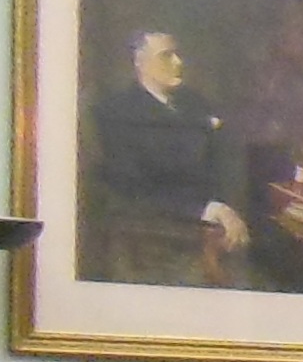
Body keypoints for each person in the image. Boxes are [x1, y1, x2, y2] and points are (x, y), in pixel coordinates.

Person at [83, 28, 252, 288]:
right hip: (160, 242)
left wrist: (226, 205)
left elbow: (230, 154)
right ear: (140, 63)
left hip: (220, 228)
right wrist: (210, 209)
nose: (178, 62)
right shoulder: (115, 112)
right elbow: (132, 189)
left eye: (177, 54)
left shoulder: (194, 102)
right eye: (166, 55)